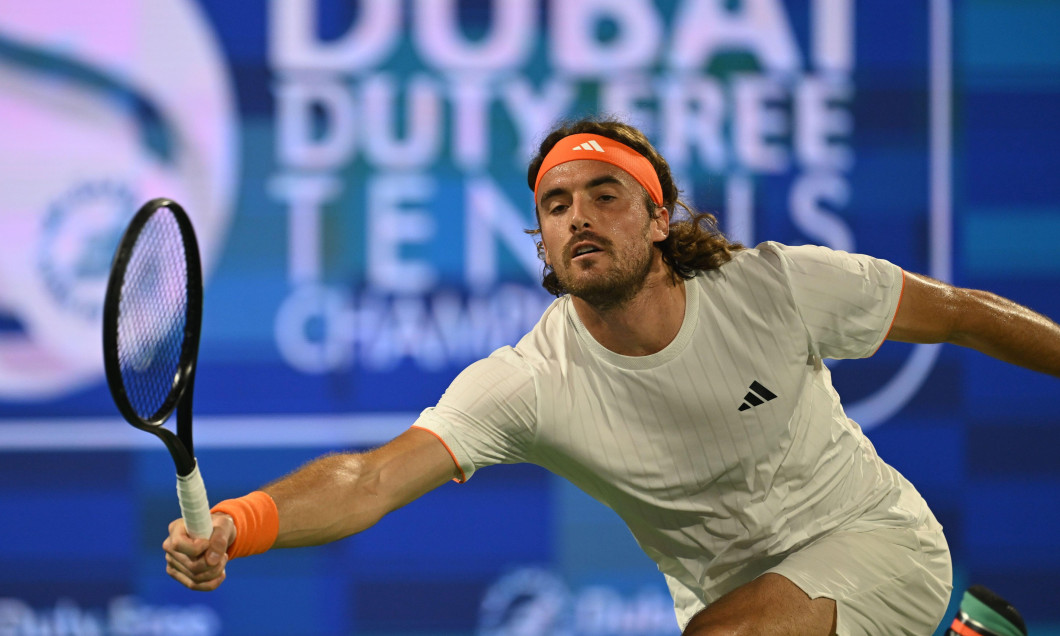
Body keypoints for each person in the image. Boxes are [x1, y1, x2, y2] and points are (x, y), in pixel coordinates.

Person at [164, 117, 1060, 635]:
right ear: (543, 241)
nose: (578, 218)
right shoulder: (531, 379)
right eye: (556, 206)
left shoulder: (777, 287)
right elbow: (371, 478)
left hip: (877, 539)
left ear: (659, 218)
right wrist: (234, 528)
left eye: (604, 196)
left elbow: (962, 313)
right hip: (730, 590)